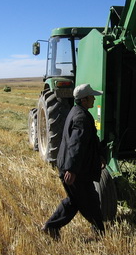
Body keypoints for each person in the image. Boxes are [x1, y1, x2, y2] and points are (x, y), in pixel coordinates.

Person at [42, 83, 105, 239]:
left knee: (79, 200)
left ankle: (52, 227)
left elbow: (87, 141)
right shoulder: (81, 117)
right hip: (76, 170)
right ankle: (99, 232)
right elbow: (75, 145)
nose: (94, 100)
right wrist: (71, 169)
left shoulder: (76, 112)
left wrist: (100, 155)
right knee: (87, 200)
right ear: (84, 99)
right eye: (91, 97)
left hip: (75, 167)